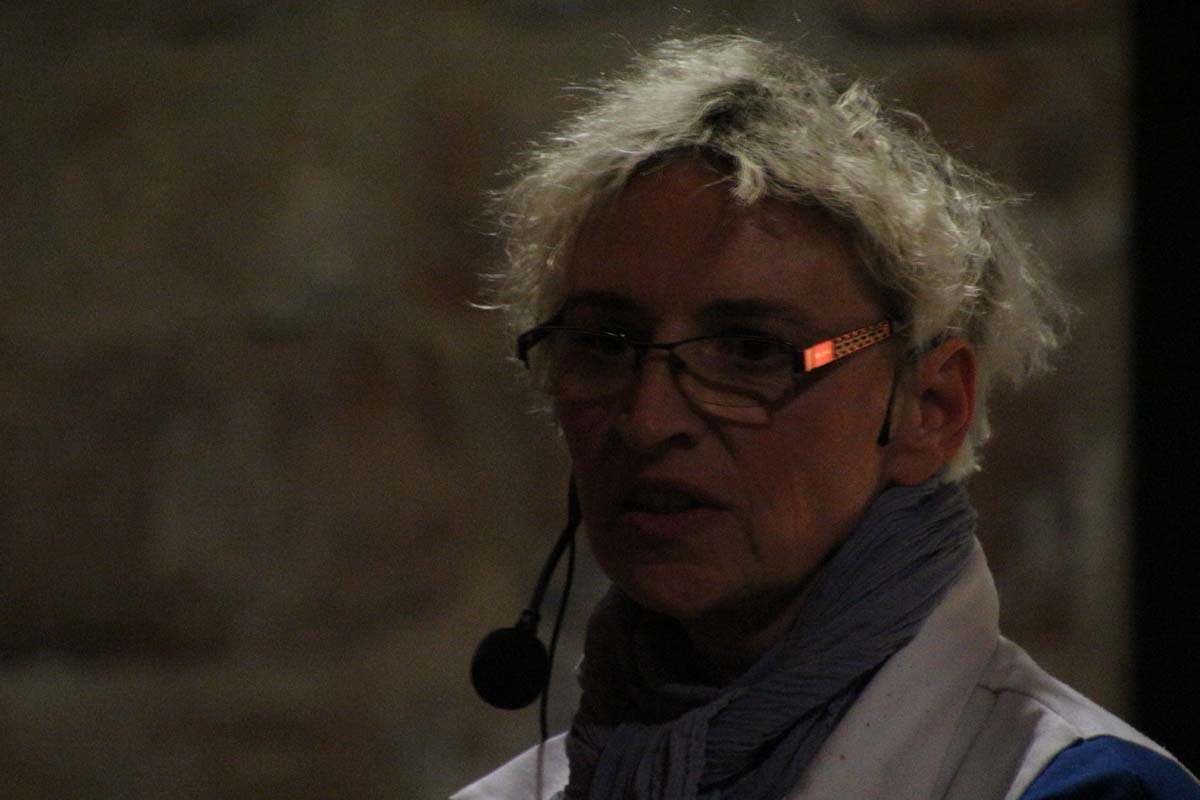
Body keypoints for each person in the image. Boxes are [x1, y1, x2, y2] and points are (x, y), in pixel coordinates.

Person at [453, 34, 1200, 800]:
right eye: (604, 344)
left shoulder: (1085, 789)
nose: (647, 420)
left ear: (930, 408)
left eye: (750, 351)